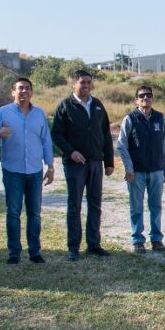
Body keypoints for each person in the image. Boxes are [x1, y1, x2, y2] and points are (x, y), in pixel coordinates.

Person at [0, 77, 55, 265]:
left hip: (34, 170)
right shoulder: (3, 112)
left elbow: (46, 141)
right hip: (12, 170)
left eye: (27, 88)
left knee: (34, 213)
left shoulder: (39, 114)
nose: (23, 91)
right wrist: (0, 135)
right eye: (20, 88)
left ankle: (35, 252)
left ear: (31, 92)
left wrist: (50, 166)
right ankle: (14, 253)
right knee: (13, 212)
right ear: (13, 92)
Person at [51, 69, 114, 259]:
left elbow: (106, 135)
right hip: (75, 164)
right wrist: (71, 152)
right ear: (74, 84)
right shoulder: (65, 106)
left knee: (95, 204)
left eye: (88, 82)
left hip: (96, 162)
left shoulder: (97, 105)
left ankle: (93, 244)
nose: (86, 86)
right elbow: (57, 134)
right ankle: (73, 247)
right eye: (82, 83)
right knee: (75, 205)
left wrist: (109, 161)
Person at [115, 85, 165, 253]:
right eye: (141, 96)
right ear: (136, 100)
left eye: (148, 96)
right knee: (136, 207)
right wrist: (128, 167)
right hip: (136, 171)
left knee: (156, 206)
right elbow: (121, 145)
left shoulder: (160, 118)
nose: (145, 98)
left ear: (152, 99)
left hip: (156, 170)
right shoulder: (130, 118)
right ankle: (137, 240)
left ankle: (156, 239)